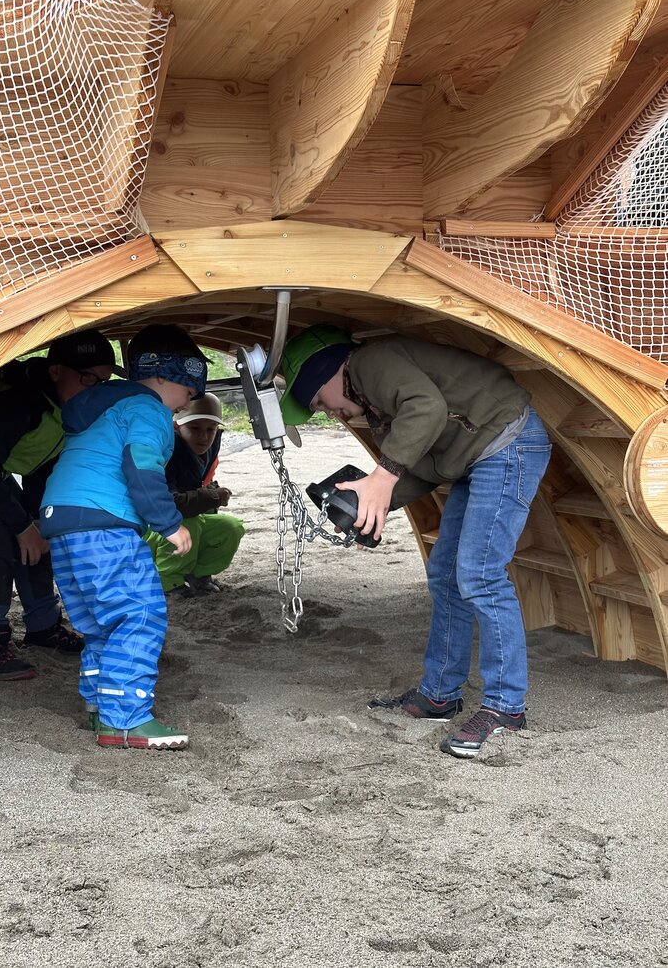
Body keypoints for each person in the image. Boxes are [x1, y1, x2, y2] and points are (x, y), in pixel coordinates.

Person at [279, 324, 551, 759]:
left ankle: (505, 708)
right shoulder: (375, 408)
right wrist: (371, 504)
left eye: (317, 401)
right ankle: (440, 695)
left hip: (507, 443)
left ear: (326, 373)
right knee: (446, 574)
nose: (328, 413)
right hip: (472, 460)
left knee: (480, 576)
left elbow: (426, 408)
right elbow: (427, 471)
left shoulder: (369, 363)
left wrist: (381, 478)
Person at [40, 324, 209, 750]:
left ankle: (100, 706)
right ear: (165, 378)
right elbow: (142, 467)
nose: (185, 403)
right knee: (138, 616)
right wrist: (169, 524)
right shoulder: (147, 408)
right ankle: (127, 719)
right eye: (187, 393)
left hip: (61, 522)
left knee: (101, 625)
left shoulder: (99, 407)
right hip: (104, 525)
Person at [0, 329, 120, 680]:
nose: (95, 389)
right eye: (88, 378)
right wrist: (21, 527)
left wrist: (34, 523)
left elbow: (39, 471)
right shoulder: (19, 403)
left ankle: (43, 627)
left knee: (38, 533)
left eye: (103, 381)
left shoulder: (64, 407)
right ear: (56, 372)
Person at [145, 392, 245, 596]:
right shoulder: (166, 453)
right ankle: (168, 580)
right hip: (153, 529)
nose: (204, 436)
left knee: (231, 528)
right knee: (189, 522)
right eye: (194, 428)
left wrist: (210, 496)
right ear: (177, 426)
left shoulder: (207, 452)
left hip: (186, 523)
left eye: (211, 429)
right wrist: (212, 496)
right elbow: (168, 505)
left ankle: (198, 575)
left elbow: (199, 494)